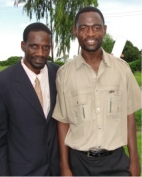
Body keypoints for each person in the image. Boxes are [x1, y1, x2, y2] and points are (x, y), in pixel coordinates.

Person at [52, 6, 141, 176]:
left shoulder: (122, 69)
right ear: (75, 31)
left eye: (96, 28)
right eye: (84, 28)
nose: (90, 34)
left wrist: (134, 161)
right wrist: (65, 167)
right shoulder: (64, 74)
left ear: (104, 30)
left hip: (116, 162)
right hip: (79, 164)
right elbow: (63, 122)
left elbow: (129, 116)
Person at [0, 22, 60, 176]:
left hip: (56, 171)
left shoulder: (59, 75)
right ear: (23, 46)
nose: (41, 53)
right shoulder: (1, 84)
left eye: (46, 47)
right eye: (34, 46)